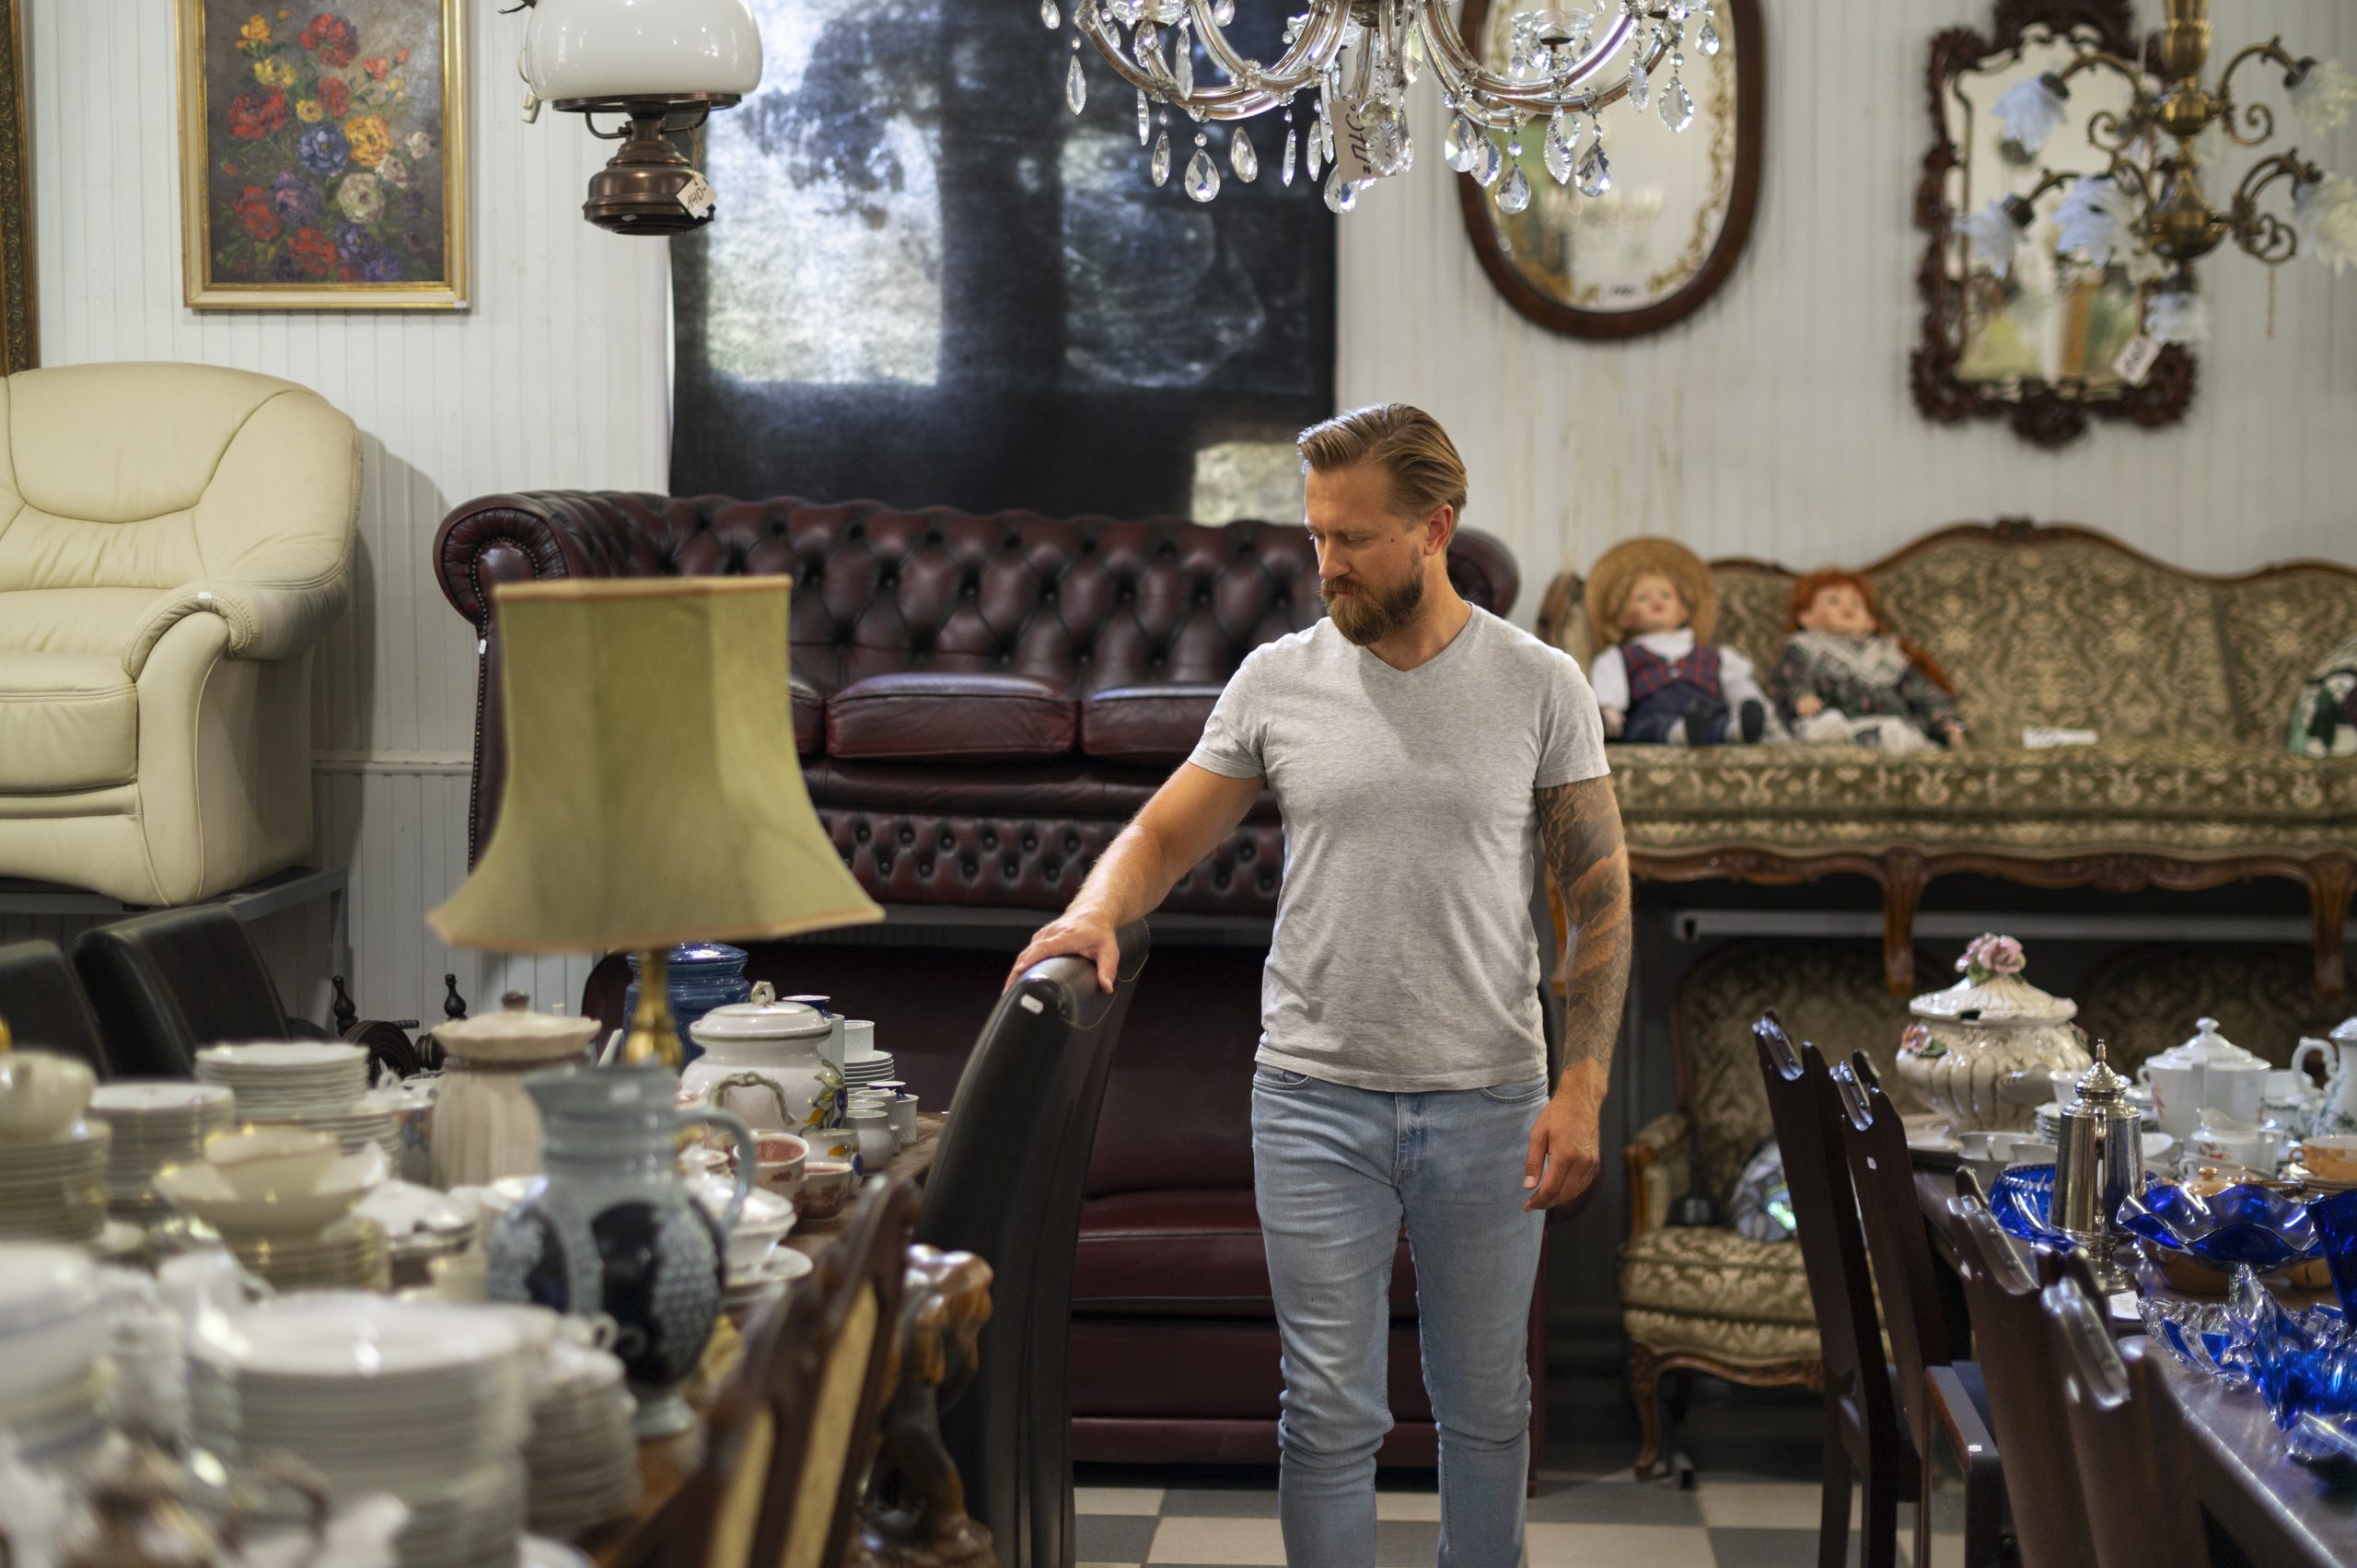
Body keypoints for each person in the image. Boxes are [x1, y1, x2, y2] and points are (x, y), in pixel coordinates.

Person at [1008, 403, 1632, 1568]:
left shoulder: (1538, 685)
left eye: (1352, 537)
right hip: (1310, 1100)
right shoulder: (1275, 679)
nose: (1325, 562)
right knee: (1329, 1418)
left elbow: (1598, 901)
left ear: (1434, 528)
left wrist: (1584, 1084)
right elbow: (1158, 834)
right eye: (1315, 536)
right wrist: (1094, 909)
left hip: (1493, 1100)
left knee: (1487, 1410)